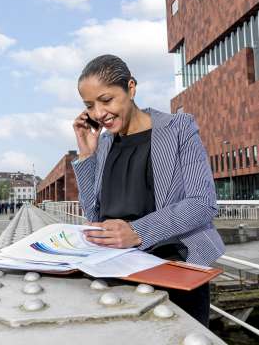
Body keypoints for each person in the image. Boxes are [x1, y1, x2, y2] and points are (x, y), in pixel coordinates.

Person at [72, 54, 225, 327]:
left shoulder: (179, 128)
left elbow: (202, 203)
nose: (98, 114)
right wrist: (87, 156)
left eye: (106, 100)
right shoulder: (105, 144)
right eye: (90, 106)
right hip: (115, 271)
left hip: (174, 268)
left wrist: (137, 232)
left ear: (131, 88)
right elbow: (94, 216)